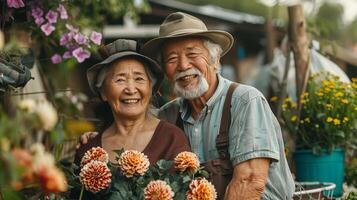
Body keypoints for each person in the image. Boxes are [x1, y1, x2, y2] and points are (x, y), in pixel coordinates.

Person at [79, 13, 295, 200]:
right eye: (172, 59)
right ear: (165, 71)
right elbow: (130, 129)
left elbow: (250, 182)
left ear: (214, 59)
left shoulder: (245, 101)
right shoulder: (167, 115)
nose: (183, 65)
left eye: (192, 54)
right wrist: (95, 141)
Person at [74, 39, 190, 167]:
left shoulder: (171, 139)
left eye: (139, 78)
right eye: (120, 80)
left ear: (151, 89)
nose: (131, 89)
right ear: (103, 93)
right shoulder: (89, 150)